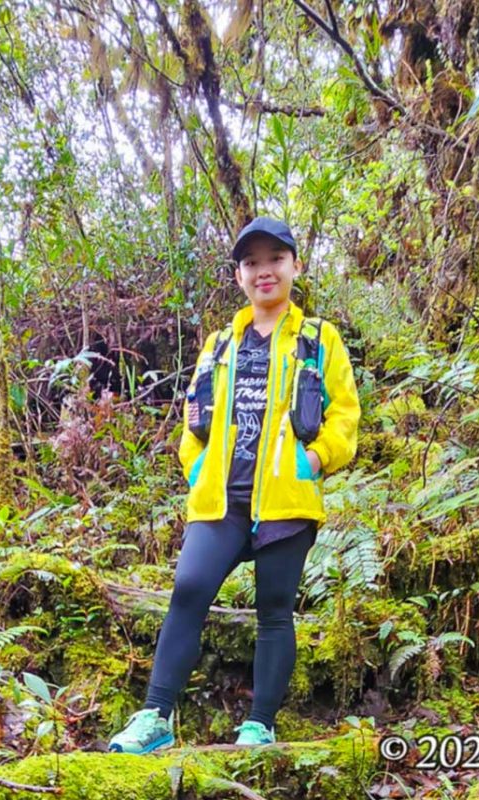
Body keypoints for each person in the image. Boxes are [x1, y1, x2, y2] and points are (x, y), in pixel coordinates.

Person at [107, 216, 361, 753]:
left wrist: (315, 460)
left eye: (275, 259)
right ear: (238, 275)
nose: (264, 271)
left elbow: (344, 415)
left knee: (275, 606)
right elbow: (193, 417)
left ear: (295, 265)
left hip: (286, 494)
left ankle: (259, 724)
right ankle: (156, 716)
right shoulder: (219, 344)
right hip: (221, 496)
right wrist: (195, 465)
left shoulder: (319, 339)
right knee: (189, 589)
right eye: (251, 262)